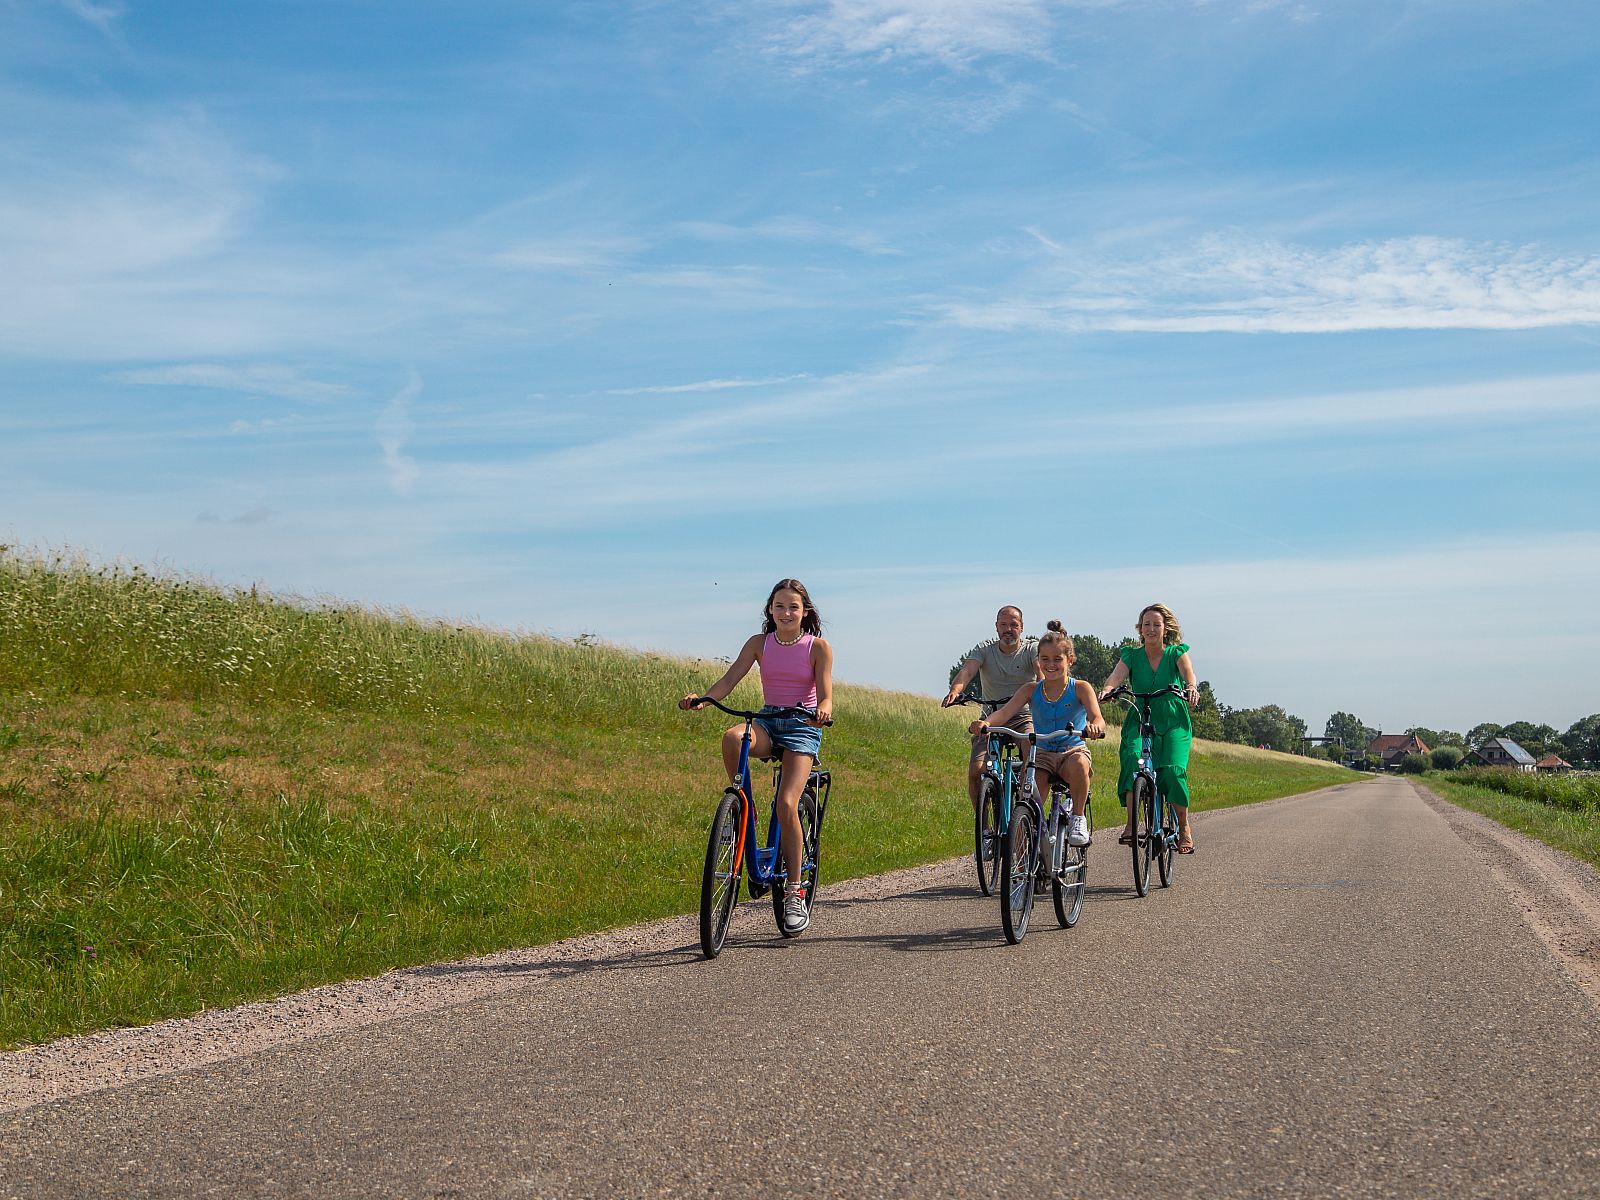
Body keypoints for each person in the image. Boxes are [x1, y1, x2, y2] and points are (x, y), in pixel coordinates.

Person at [680, 579, 834, 934]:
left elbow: (826, 695)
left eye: (793, 607)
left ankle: (794, 892)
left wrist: (822, 711)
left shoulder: (818, 647)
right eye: (779, 606)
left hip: (801, 726)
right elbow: (729, 679)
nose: (786, 613)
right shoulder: (758, 644)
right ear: (769, 610)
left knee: (786, 803)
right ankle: (739, 810)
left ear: (805, 611)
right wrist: (704, 699)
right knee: (733, 738)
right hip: (767, 720)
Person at [967, 621, 1105, 847]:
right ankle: (1021, 868)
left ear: (1070, 660)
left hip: (1071, 750)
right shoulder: (1031, 689)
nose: (1050, 665)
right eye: (1045, 659)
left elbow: (1097, 717)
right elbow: (1004, 713)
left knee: (1080, 764)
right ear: (1038, 660)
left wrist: (1095, 727)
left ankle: (1078, 818)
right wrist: (985, 723)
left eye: (1057, 660)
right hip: (1041, 755)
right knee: (1027, 805)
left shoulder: (1080, 687)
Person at [1098, 603, 1201, 853]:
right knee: (1133, 758)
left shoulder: (1176, 652)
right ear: (1140, 629)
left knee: (1172, 771)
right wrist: (1108, 689)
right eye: (1147, 624)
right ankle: (1132, 824)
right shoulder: (1131, 656)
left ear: (1165, 629)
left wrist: (1191, 687)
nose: (1151, 629)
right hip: (1141, 716)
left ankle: (1184, 827)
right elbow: (1116, 676)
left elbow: (1189, 674)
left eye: (1156, 624)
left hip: (1173, 718)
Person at [941, 605, 1041, 810]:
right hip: (991, 717)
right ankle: (984, 826)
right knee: (976, 771)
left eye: (1013, 625)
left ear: (1022, 627)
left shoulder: (1031, 649)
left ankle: (1024, 812)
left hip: (1024, 716)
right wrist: (955, 690)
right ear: (996, 627)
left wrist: (1043, 688)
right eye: (1003, 624)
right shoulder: (984, 649)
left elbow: (1041, 671)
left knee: (1031, 754)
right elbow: (967, 671)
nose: (1008, 629)